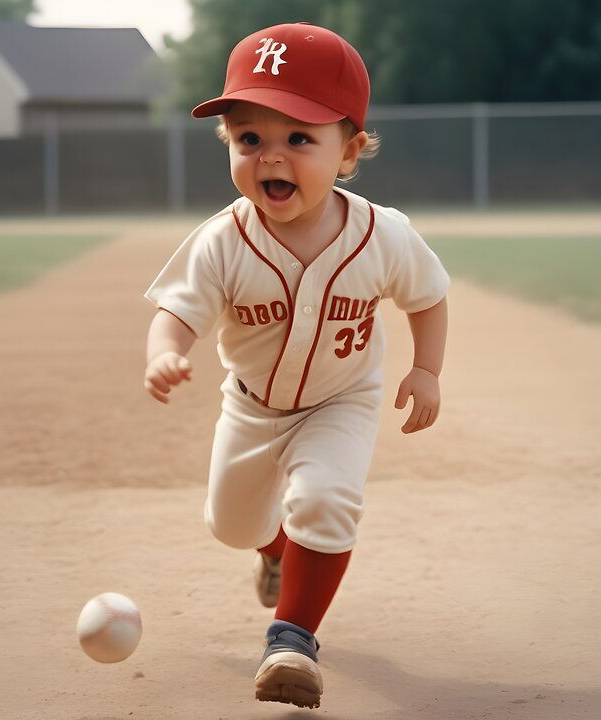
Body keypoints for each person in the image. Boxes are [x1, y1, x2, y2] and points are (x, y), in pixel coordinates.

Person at [142, 22, 450, 709]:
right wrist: (165, 351)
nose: (270, 156)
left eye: (299, 138)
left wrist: (426, 370)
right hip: (250, 406)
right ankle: (276, 551)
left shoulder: (383, 234)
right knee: (231, 525)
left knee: (325, 499)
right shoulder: (224, 240)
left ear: (351, 151)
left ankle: (292, 638)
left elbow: (428, 298)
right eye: (250, 138)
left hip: (342, 400)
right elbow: (178, 309)